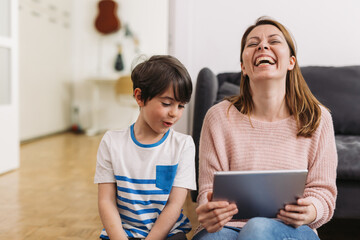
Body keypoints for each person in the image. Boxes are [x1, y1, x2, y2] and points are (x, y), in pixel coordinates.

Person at [192, 17, 337, 240]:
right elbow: (208, 191)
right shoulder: (218, 117)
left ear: (291, 62)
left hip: (292, 230)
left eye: (274, 41)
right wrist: (210, 211)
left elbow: (323, 193)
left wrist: (311, 210)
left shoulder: (318, 118)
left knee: (257, 229)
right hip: (227, 228)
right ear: (243, 67)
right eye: (253, 44)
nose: (262, 46)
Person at [94, 55, 196, 240]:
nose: (174, 113)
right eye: (166, 103)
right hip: (122, 233)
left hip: (168, 233)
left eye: (181, 105)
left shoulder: (184, 145)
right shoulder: (111, 142)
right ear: (140, 97)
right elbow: (106, 201)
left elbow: (174, 204)